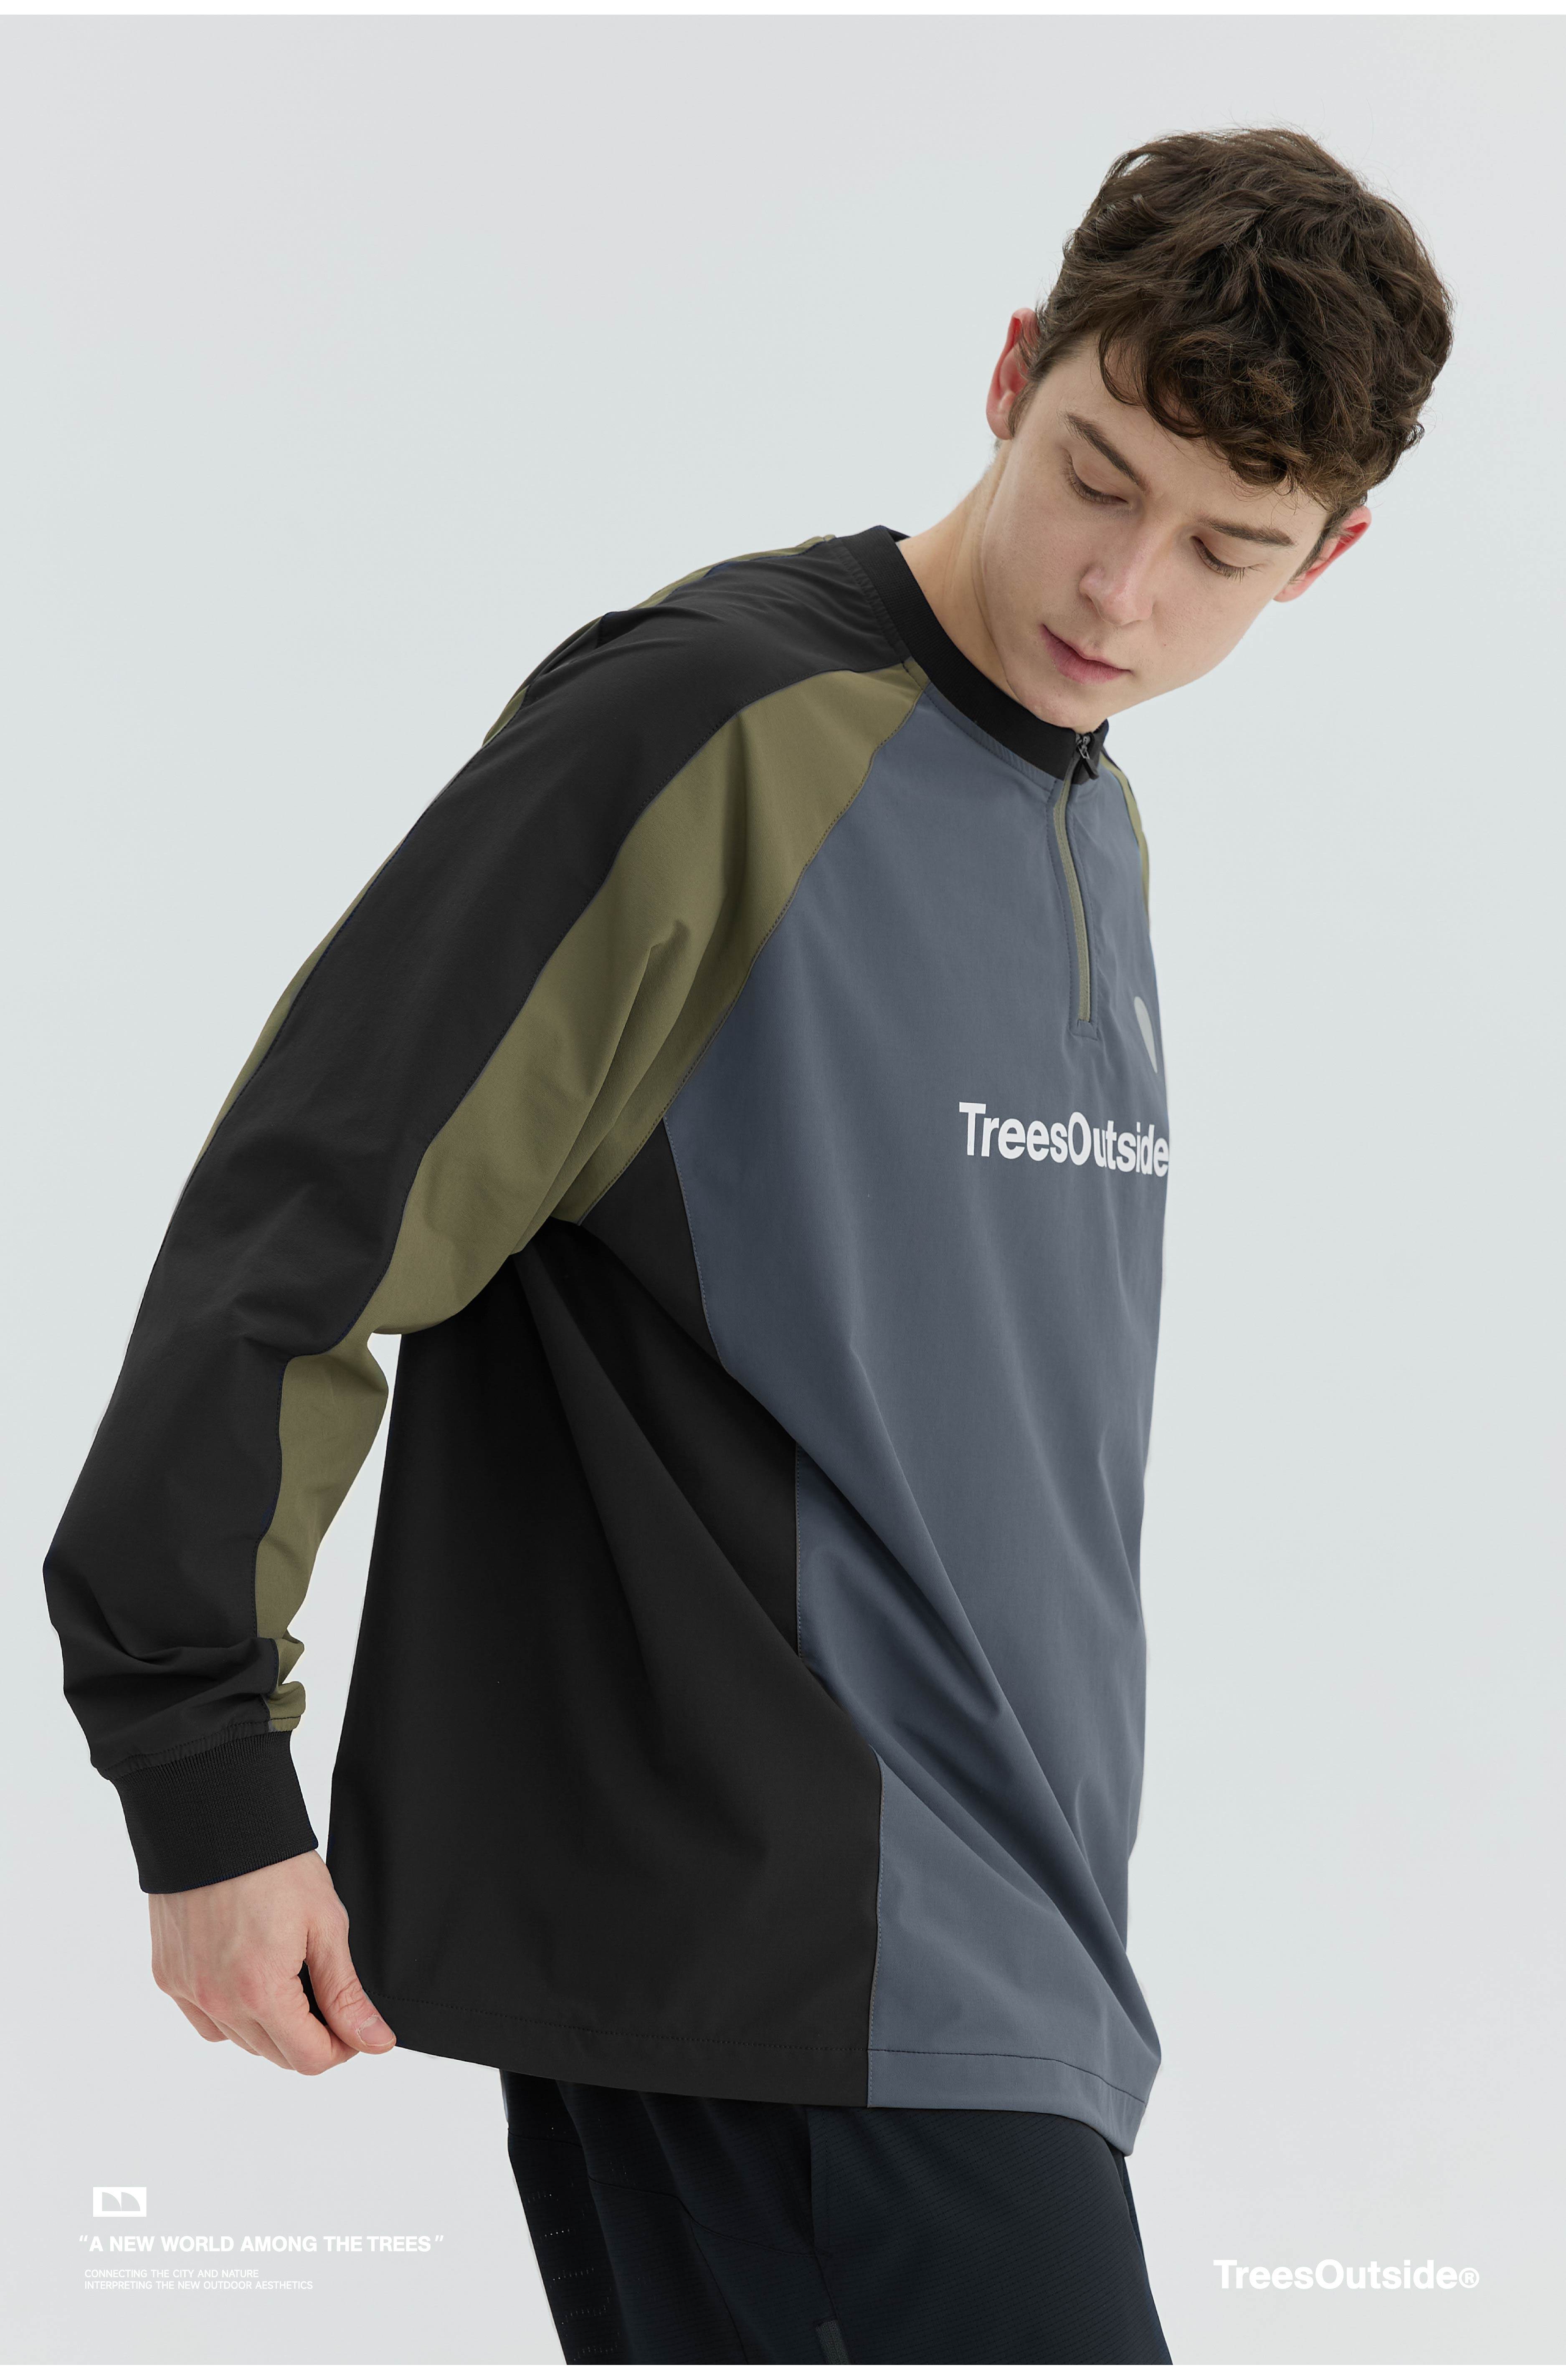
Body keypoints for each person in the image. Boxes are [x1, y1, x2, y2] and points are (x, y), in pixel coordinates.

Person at [44, 124, 1452, 2363]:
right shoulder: (707, 727)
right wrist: (201, 1771)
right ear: (1011, 370)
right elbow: (311, 1205)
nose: (1122, 592)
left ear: (1329, 557)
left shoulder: (1086, 818)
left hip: (999, 1974)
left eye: (1222, 549)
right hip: (774, 1952)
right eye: (1094, 478)